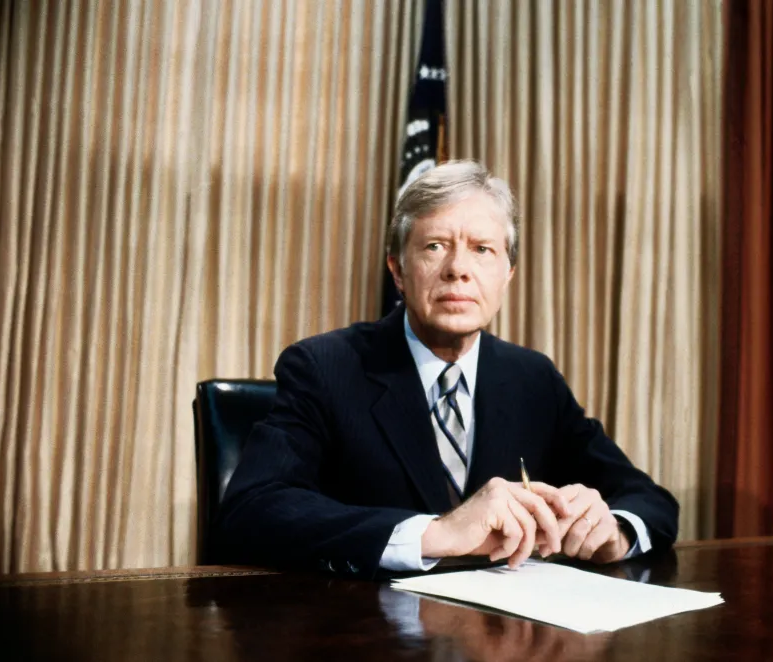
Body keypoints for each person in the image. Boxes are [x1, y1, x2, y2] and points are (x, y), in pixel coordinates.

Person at [216, 160, 679, 580]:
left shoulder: (533, 379)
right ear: (398, 270)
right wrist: (436, 533)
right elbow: (252, 510)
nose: (458, 269)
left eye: (482, 249)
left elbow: (650, 500)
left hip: (503, 639)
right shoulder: (323, 367)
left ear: (507, 275)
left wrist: (614, 530)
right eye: (435, 246)